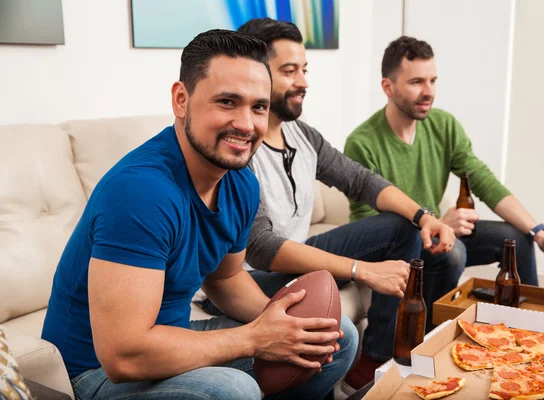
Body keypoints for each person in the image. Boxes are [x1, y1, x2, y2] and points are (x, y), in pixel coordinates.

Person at [41, 29, 358, 400]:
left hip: (173, 344)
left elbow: (226, 278)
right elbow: (123, 357)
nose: (246, 124)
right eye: (227, 102)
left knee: (334, 337)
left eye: (258, 107)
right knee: (233, 390)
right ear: (181, 100)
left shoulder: (241, 182)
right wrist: (254, 338)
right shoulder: (141, 192)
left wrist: (283, 327)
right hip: (92, 374)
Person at [198, 18, 455, 394]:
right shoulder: (239, 145)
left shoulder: (302, 136)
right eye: (290, 70)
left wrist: (425, 216)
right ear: (256, 74)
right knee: (391, 237)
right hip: (252, 275)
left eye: (304, 69)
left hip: (298, 261)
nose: (303, 80)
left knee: (404, 224)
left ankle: (377, 358)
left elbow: (362, 181)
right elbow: (263, 247)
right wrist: (361, 270)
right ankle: (369, 364)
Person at [344, 36, 544, 334]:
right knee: (454, 253)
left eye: (433, 80)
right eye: (416, 82)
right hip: (400, 246)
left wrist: (538, 232)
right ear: (388, 87)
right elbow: (366, 226)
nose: (429, 92)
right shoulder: (362, 142)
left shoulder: (444, 126)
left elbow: (484, 182)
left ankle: (526, 334)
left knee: (515, 240)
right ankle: (434, 336)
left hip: (437, 232)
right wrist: (436, 223)